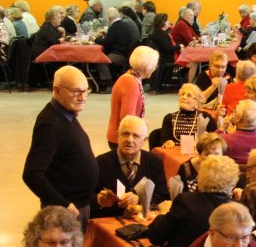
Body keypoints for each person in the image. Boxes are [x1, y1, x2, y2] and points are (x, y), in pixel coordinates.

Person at [22, 66, 98, 220]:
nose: (83, 97)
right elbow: (32, 174)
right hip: (64, 213)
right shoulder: (50, 123)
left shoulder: (67, 114)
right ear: (57, 90)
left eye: (86, 91)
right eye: (76, 92)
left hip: (79, 205)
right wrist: (64, 205)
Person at [142, 154, 239, 247]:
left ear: (201, 176)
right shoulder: (238, 210)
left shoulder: (186, 201)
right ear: (233, 182)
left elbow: (157, 238)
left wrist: (162, 216)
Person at [92, 116, 169, 219]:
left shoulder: (154, 162)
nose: (129, 140)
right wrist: (99, 200)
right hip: (110, 220)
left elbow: (163, 197)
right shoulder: (101, 162)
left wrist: (139, 200)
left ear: (144, 141)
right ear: (118, 136)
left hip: (143, 221)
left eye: (136, 136)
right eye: (125, 134)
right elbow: (85, 199)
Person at [104, 44, 157, 152]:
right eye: (154, 65)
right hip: (123, 139)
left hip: (119, 135)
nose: (155, 68)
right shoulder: (131, 82)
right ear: (147, 66)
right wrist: (142, 124)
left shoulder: (131, 78)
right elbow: (127, 117)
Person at [219, 99, 256, 165]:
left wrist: (222, 128)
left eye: (234, 113)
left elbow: (209, 147)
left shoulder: (223, 140)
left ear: (238, 118)